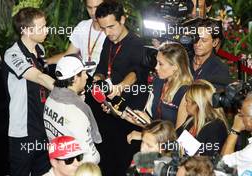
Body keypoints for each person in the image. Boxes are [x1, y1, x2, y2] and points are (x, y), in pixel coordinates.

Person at [93, 1, 149, 175]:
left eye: (111, 26)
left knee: (126, 164)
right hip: (110, 110)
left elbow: (136, 72)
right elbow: (102, 68)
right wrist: (98, 80)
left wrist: (120, 87)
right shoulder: (108, 41)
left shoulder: (137, 44)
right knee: (107, 160)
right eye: (103, 28)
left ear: (123, 20)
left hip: (130, 115)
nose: (107, 32)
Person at [2, 7, 55, 176]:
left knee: (45, 172)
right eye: (41, 27)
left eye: (45, 25)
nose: (46, 30)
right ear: (26, 30)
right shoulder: (12, 54)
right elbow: (39, 78)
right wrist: (68, 92)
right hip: (23, 132)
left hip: (44, 128)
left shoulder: (40, 50)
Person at [43, 55, 102, 164]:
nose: (87, 77)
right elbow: (91, 158)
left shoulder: (50, 99)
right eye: (84, 73)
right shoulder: (77, 111)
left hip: (59, 164)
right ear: (75, 78)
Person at [123, 42, 193, 129]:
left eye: (160, 64)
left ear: (175, 67)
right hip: (152, 137)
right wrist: (123, 115)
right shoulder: (158, 81)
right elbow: (148, 118)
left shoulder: (186, 93)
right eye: (156, 62)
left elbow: (179, 136)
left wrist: (150, 124)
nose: (156, 67)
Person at [47, 0, 106, 76]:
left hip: (104, 79)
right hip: (83, 79)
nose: (93, 12)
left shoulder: (112, 30)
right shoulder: (82, 26)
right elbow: (68, 55)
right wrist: (45, 62)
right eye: (89, 7)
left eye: (97, 7)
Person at [176, 79, 228, 156]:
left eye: (187, 101)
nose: (185, 105)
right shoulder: (191, 120)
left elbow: (208, 160)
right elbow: (174, 138)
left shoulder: (216, 127)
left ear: (197, 104)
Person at [190, 18, 231, 89]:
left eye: (204, 40)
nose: (198, 44)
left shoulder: (219, 69)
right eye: (196, 38)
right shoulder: (184, 60)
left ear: (215, 42)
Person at [221, 93, 252, 175]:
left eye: (242, 115)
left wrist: (235, 129)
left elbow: (222, 166)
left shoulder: (249, 152)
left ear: (250, 120)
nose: (238, 117)